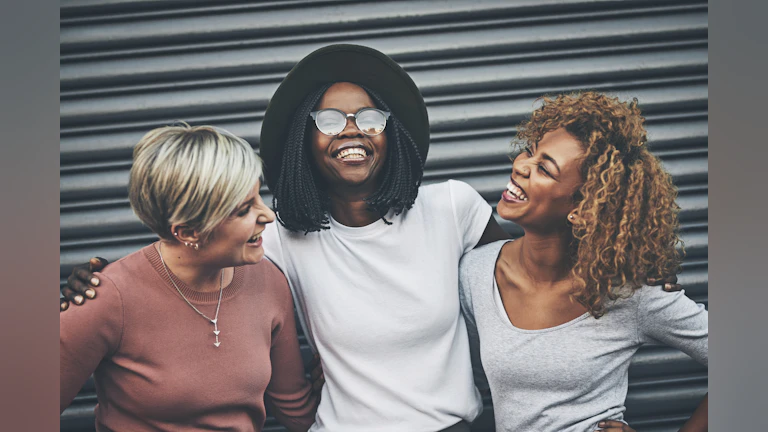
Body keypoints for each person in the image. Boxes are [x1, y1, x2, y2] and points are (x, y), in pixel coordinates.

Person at [60, 45, 680, 432]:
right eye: (329, 119)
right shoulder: (277, 240)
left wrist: (632, 272)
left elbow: (542, 260)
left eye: (369, 116)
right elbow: (187, 265)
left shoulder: (452, 209)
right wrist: (97, 284)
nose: (350, 131)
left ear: (392, 132)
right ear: (307, 139)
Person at [458, 92, 708, 432]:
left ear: (583, 209)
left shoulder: (630, 294)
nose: (519, 166)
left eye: (544, 168)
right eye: (529, 152)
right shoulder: (475, 273)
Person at [60, 123, 318, 431]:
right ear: (188, 232)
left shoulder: (268, 281)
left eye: (258, 197)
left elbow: (296, 410)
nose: (268, 216)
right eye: (243, 210)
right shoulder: (107, 298)